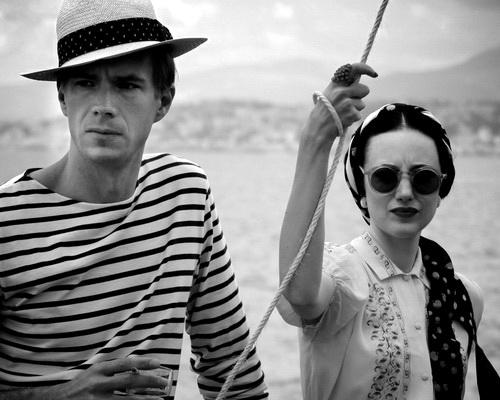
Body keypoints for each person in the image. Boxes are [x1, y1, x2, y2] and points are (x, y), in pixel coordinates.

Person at [0, 0, 268, 398]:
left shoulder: (184, 194)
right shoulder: (7, 222)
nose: (104, 107)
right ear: (62, 98)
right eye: (85, 83)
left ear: (163, 100)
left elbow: (231, 368)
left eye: (127, 85)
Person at [278, 63, 499, 399]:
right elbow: (300, 295)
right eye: (385, 177)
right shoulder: (339, 279)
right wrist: (316, 139)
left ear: (441, 189)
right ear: (361, 190)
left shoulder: (464, 296)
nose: (405, 192)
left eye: (424, 179)